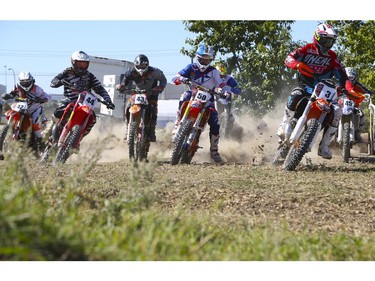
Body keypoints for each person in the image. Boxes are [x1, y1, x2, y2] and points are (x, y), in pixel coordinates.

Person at [277, 23, 355, 160]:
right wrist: (297, 64)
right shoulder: (306, 49)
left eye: (330, 41)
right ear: (317, 38)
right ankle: (284, 124)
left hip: (324, 92)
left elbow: (342, 75)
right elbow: (289, 58)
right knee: (295, 94)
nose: (328, 44)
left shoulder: (332, 56)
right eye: (325, 40)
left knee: (337, 111)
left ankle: (324, 145)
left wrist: (350, 89)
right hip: (305, 87)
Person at [171, 42, 231, 163]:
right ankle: (178, 122)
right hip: (192, 94)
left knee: (215, 121)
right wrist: (180, 79)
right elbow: (176, 77)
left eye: (207, 59)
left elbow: (222, 84)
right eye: (203, 59)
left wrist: (224, 91)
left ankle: (214, 150)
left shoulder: (214, 71)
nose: (205, 61)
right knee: (184, 96)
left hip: (208, 99)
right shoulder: (191, 67)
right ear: (198, 57)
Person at [45, 50, 115, 141]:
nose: (82, 67)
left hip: (84, 102)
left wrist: (108, 100)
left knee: (92, 118)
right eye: (79, 64)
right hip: (69, 99)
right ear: (73, 63)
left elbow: (100, 89)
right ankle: (49, 130)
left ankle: (78, 139)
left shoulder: (90, 76)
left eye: (84, 64)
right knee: (59, 111)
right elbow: (53, 81)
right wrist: (60, 82)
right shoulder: (67, 72)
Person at [116, 54, 167, 142]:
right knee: (128, 106)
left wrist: (160, 87)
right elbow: (124, 81)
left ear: (147, 64)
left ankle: (151, 131)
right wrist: (122, 86)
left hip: (151, 93)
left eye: (143, 65)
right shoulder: (130, 71)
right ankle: (128, 129)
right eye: (139, 65)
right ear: (135, 65)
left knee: (153, 109)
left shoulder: (155, 71)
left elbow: (163, 79)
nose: (140, 67)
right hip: (136, 93)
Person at [1, 71, 51, 147]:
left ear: (31, 81)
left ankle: (42, 142)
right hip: (20, 107)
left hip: (34, 109)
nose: (25, 84)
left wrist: (42, 99)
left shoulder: (37, 89)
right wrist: (8, 95)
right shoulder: (16, 87)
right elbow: (11, 93)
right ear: (20, 82)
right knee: (11, 112)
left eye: (27, 82)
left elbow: (47, 96)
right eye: (23, 82)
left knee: (35, 123)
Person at [342, 67, 373, 142]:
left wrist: (370, 93)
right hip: (341, 106)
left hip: (354, 106)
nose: (350, 79)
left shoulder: (357, 85)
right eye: (348, 77)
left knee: (362, 115)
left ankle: (357, 133)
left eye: (351, 77)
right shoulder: (340, 83)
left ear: (354, 77)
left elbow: (365, 91)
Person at [213, 61, 241, 130]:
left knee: (230, 115)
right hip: (216, 97)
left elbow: (238, 88)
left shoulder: (229, 78)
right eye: (220, 75)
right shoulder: (213, 78)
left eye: (223, 74)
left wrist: (233, 90)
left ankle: (230, 121)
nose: (222, 76)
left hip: (227, 97)